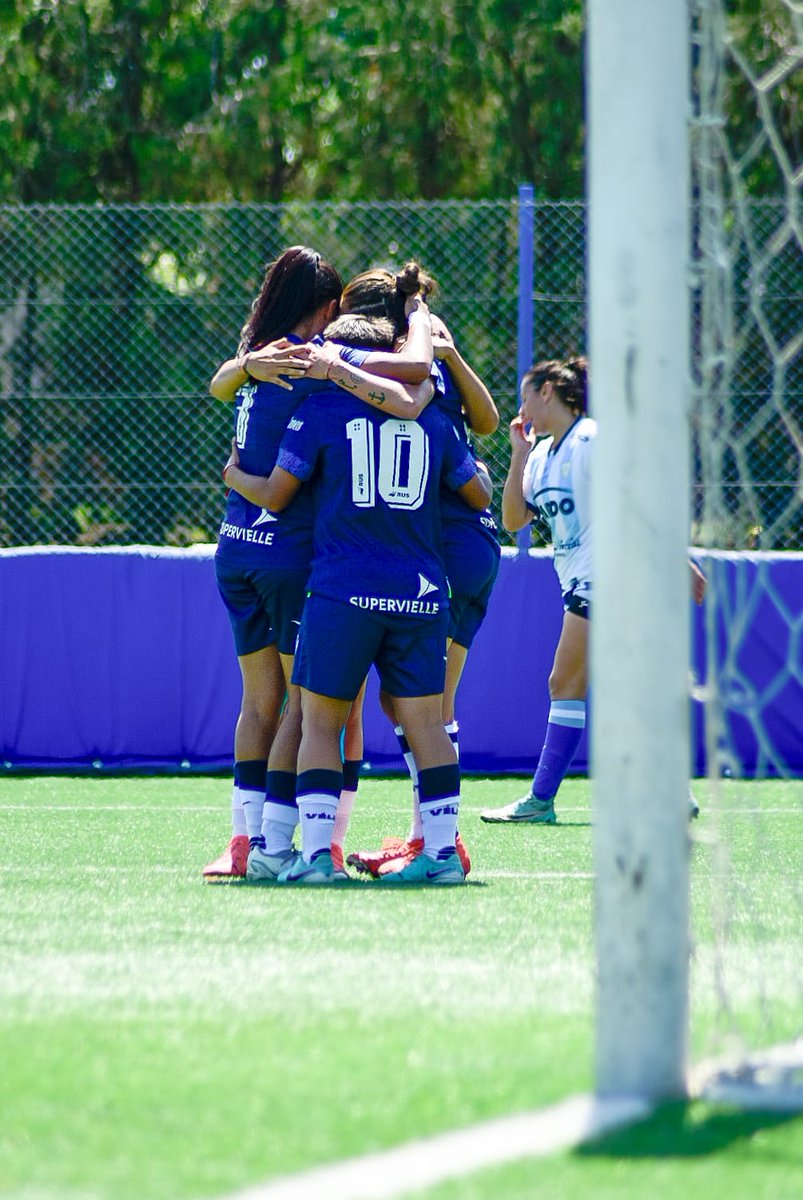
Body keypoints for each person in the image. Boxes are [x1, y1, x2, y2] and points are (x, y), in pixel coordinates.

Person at [222, 288, 494, 884]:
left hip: (342, 585)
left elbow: (277, 492)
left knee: (319, 719)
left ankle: (317, 857)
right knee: (427, 721)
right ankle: (442, 854)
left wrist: (233, 473)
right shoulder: (430, 411)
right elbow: (479, 491)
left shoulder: (317, 408)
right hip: (419, 590)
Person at [203, 248, 432, 880]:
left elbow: (220, 382)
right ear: (327, 307)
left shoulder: (257, 355)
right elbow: (413, 372)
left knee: (258, 704)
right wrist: (419, 321)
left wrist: (244, 365)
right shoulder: (314, 361)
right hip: (290, 556)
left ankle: (243, 840)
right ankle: (302, 843)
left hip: (235, 548)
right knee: (311, 710)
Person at [480, 356, 706, 826]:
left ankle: (541, 799)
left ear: (548, 392)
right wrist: (519, 454)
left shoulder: (592, 440)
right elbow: (513, 520)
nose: (521, 408)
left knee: (564, 682)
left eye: (526, 396)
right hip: (583, 580)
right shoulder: (541, 454)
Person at [344, 310, 501, 877]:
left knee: (428, 707)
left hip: (452, 548)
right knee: (407, 703)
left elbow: (481, 439)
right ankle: (427, 835)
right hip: (470, 550)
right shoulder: (423, 369)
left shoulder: (406, 379)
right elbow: (484, 422)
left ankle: (440, 843)